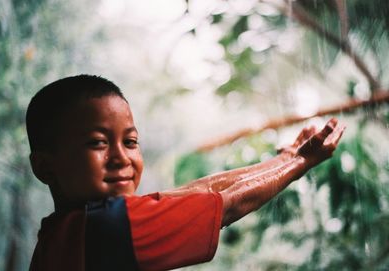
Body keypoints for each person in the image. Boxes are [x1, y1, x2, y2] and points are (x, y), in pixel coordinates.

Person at [26, 74, 345, 271]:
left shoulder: (63, 234)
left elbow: (199, 190)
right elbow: (226, 203)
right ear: (44, 166)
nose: (121, 157)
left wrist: (288, 157)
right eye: (97, 143)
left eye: (131, 141)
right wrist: (301, 163)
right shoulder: (104, 227)